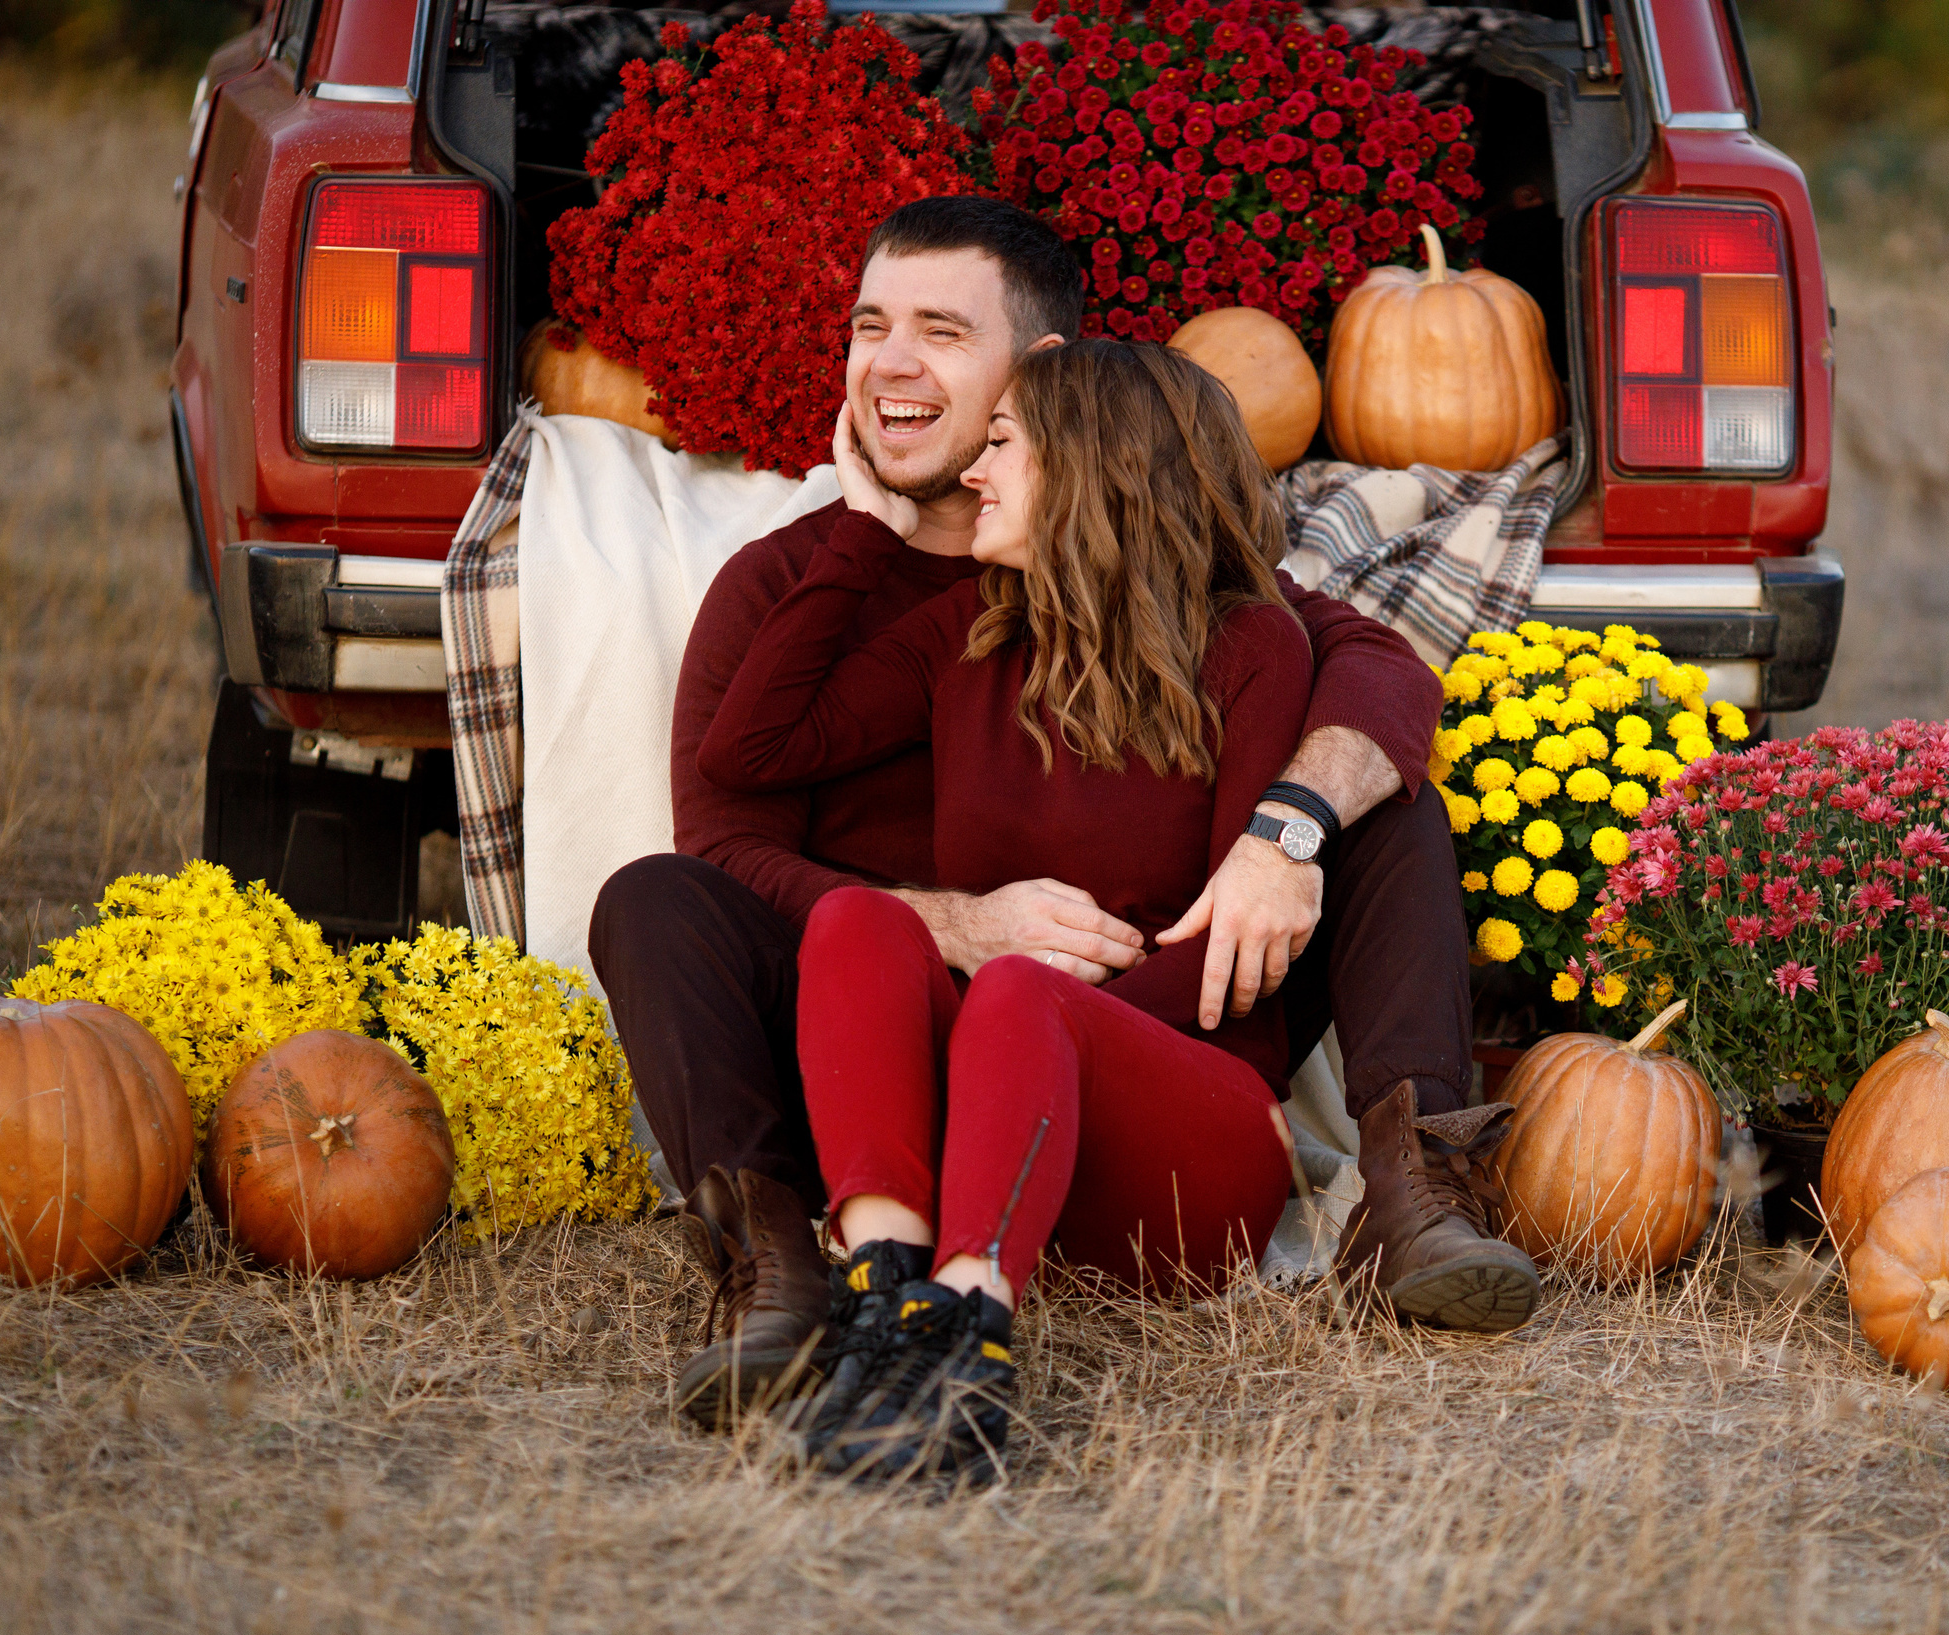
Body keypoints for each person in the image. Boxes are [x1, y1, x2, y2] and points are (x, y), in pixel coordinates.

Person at [586, 199, 1536, 1434]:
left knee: (1371, 797)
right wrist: (954, 923)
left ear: (1041, 381)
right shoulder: (858, 597)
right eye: (870, 327)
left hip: (1122, 1048)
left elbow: (1383, 678)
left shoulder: (1221, 622)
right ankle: (786, 1270)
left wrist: (1284, 834)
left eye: (939, 332)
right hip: (872, 1048)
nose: (889, 365)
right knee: (672, 902)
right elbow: (731, 810)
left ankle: (1416, 1193)